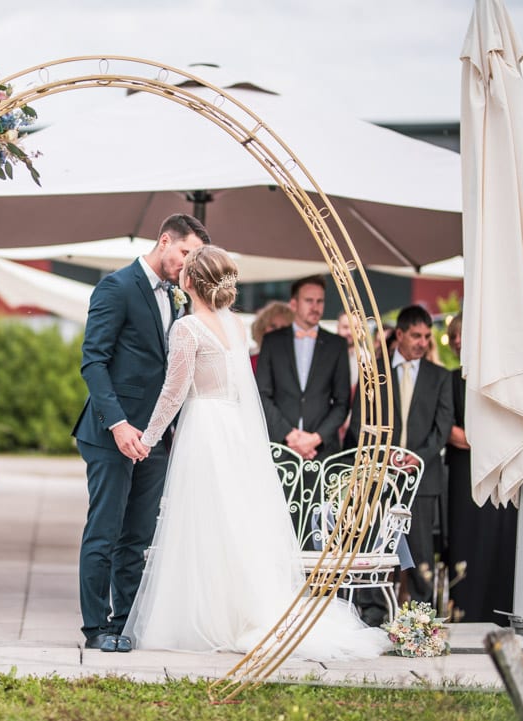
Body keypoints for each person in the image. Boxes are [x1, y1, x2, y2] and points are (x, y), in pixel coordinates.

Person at [124, 245, 388, 659]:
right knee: (231, 522)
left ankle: (210, 616)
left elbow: (173, 392)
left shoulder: (187, 328)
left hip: (206, 429)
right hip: (232, 429)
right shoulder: (234, 327)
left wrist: (148, 438)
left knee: (204, 523)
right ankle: (236, 608)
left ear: (190, 280)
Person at [74, 213, 209, 653]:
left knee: (138, 536)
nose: (188, 263)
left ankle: (124, 622)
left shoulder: (179, 297)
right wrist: (118, 424)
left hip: (157, 437)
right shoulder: (116, 287)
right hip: (111, 433)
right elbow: (93, 361)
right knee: (105, 530)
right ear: (164, 240)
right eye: (186, 253)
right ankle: (95, 629)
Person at [349, 305, 453, 606]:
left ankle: (421, 619)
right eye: (416, 336)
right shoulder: (375, 373)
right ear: (400, 334)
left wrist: (415, 459)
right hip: (379, 475)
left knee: (421, 553)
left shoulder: (440, 377)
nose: (423, 342)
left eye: (426, 336)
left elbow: (442, 429)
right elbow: (359, 423)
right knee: (375, 548)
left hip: (422, 478)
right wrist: (384, 459)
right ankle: (372, 611)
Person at [444, 313, 516, 624]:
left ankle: (500, 612)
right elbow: (452, 434)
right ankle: (466, 614)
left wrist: (486, 440)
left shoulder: (499, 380)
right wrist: (490, 440)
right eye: (453, 336)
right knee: (466, 540)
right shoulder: (448, 379)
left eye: (463, 335)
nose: (458, 341)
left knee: (500, 543)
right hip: (463, 474)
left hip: (500, 474)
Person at [256, 276, 351, 462]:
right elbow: (262, 393)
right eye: (309, 301)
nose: (315, 307)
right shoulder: (272, 342)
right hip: (279, 447)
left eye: (320, 301)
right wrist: (289, 435)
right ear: (294, 304)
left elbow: (342, 402)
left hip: (321, 452)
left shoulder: (337, 345)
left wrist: (315, 439)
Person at [249, 300, 294, 373]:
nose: (278, 331)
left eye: (283, 328)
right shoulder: (248, 361)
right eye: (273, 326)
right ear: (262, 328)